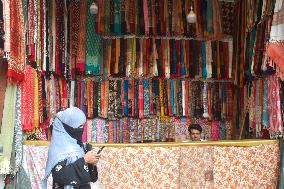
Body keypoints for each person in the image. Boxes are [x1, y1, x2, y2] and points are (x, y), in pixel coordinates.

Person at [42, 107, 100, 189]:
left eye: (83, 126)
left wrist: (91, 164)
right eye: (79, 126)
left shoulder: (78, 145)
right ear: (67, 126)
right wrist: (84, 160)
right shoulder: (58, 149)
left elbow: (90, 178)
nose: (82, 129)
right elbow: (59, 176)